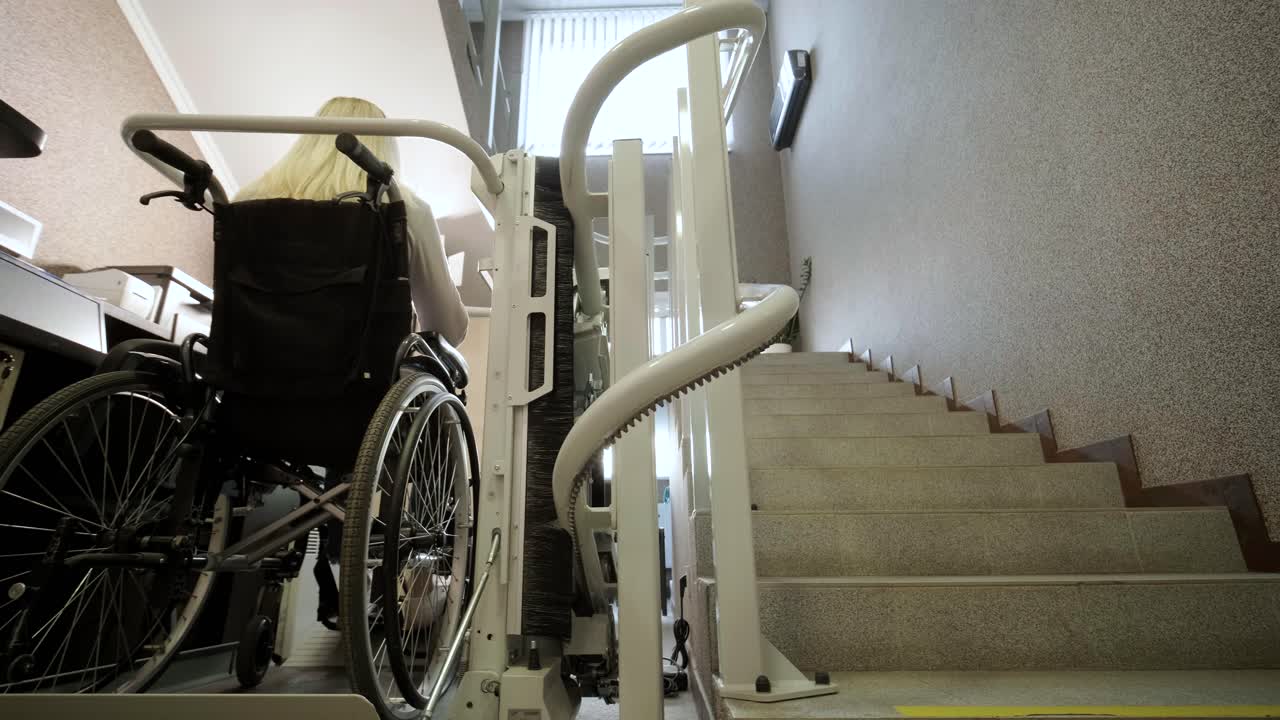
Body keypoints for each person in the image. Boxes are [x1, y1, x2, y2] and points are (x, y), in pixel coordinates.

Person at [236, 96, 468, 345]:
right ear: (385, 150)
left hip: (251, 362)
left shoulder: (246, 202)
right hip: (361, 368)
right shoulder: (404, 211)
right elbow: (449, 331)